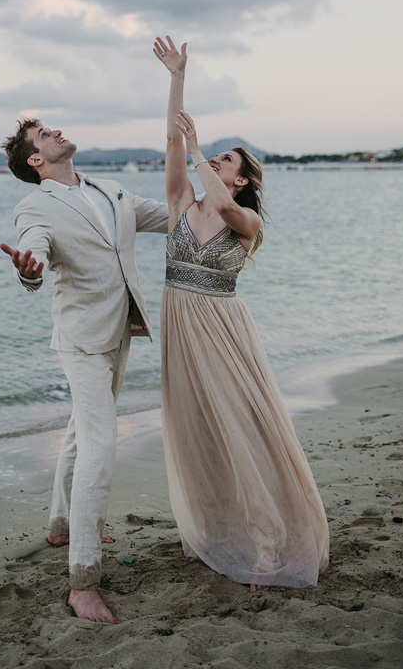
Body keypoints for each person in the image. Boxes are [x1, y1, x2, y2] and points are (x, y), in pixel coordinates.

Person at [153, 35, 329, 589]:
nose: (213, 162)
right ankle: (209, 531)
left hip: (222, 330)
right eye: (214, 157)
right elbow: (172, 140)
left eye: (225, 160)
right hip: (179, 326)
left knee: (240, 429)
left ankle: (269, 548)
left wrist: (202, 144)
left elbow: (224, 205)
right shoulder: (183, 201)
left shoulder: (247, 222)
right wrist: (177, 77)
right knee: (196, 428)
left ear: (241, 178)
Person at [0, 119, 168, 622]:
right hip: (81, 339)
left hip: (120, 330)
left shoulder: (111, 190)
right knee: (100, 441)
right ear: (35, 160)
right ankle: (83, 579)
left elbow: (173, 215)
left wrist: (224, 199)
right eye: (43, 134)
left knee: (79, 430)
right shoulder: (35, 205)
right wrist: (28, 271)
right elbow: (36, 250)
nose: (55, 132)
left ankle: (60, 525)